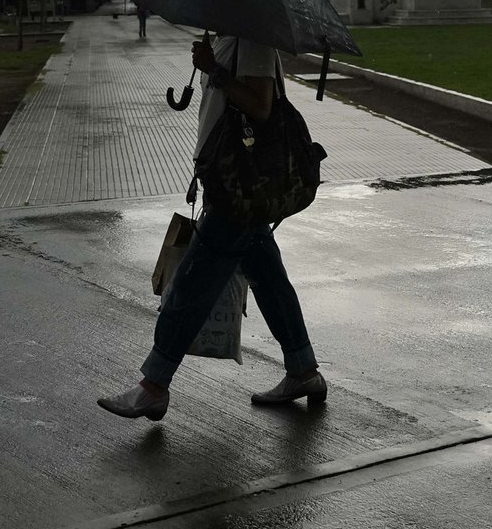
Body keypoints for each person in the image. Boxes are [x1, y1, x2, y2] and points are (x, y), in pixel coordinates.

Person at [98, 34, 325, 421]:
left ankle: (154, 386)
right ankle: (303, 370)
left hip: (238, 186)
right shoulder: (226, 37)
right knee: (269, 280)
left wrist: (214, 69)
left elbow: (261, 106)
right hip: (227, 180)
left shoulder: (252, 39)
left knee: (192, 282)